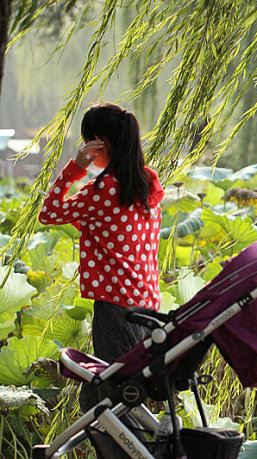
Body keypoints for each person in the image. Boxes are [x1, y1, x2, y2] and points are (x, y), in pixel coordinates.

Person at [39, 102, 164, 458]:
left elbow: (49, 213)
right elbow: (108, 229)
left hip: (114, 307)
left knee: (114, 395)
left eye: (86, 144)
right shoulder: (147, 183)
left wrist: (74, 170)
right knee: (128, 391)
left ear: (97, 143)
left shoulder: (102, 190)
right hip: (146, 305)